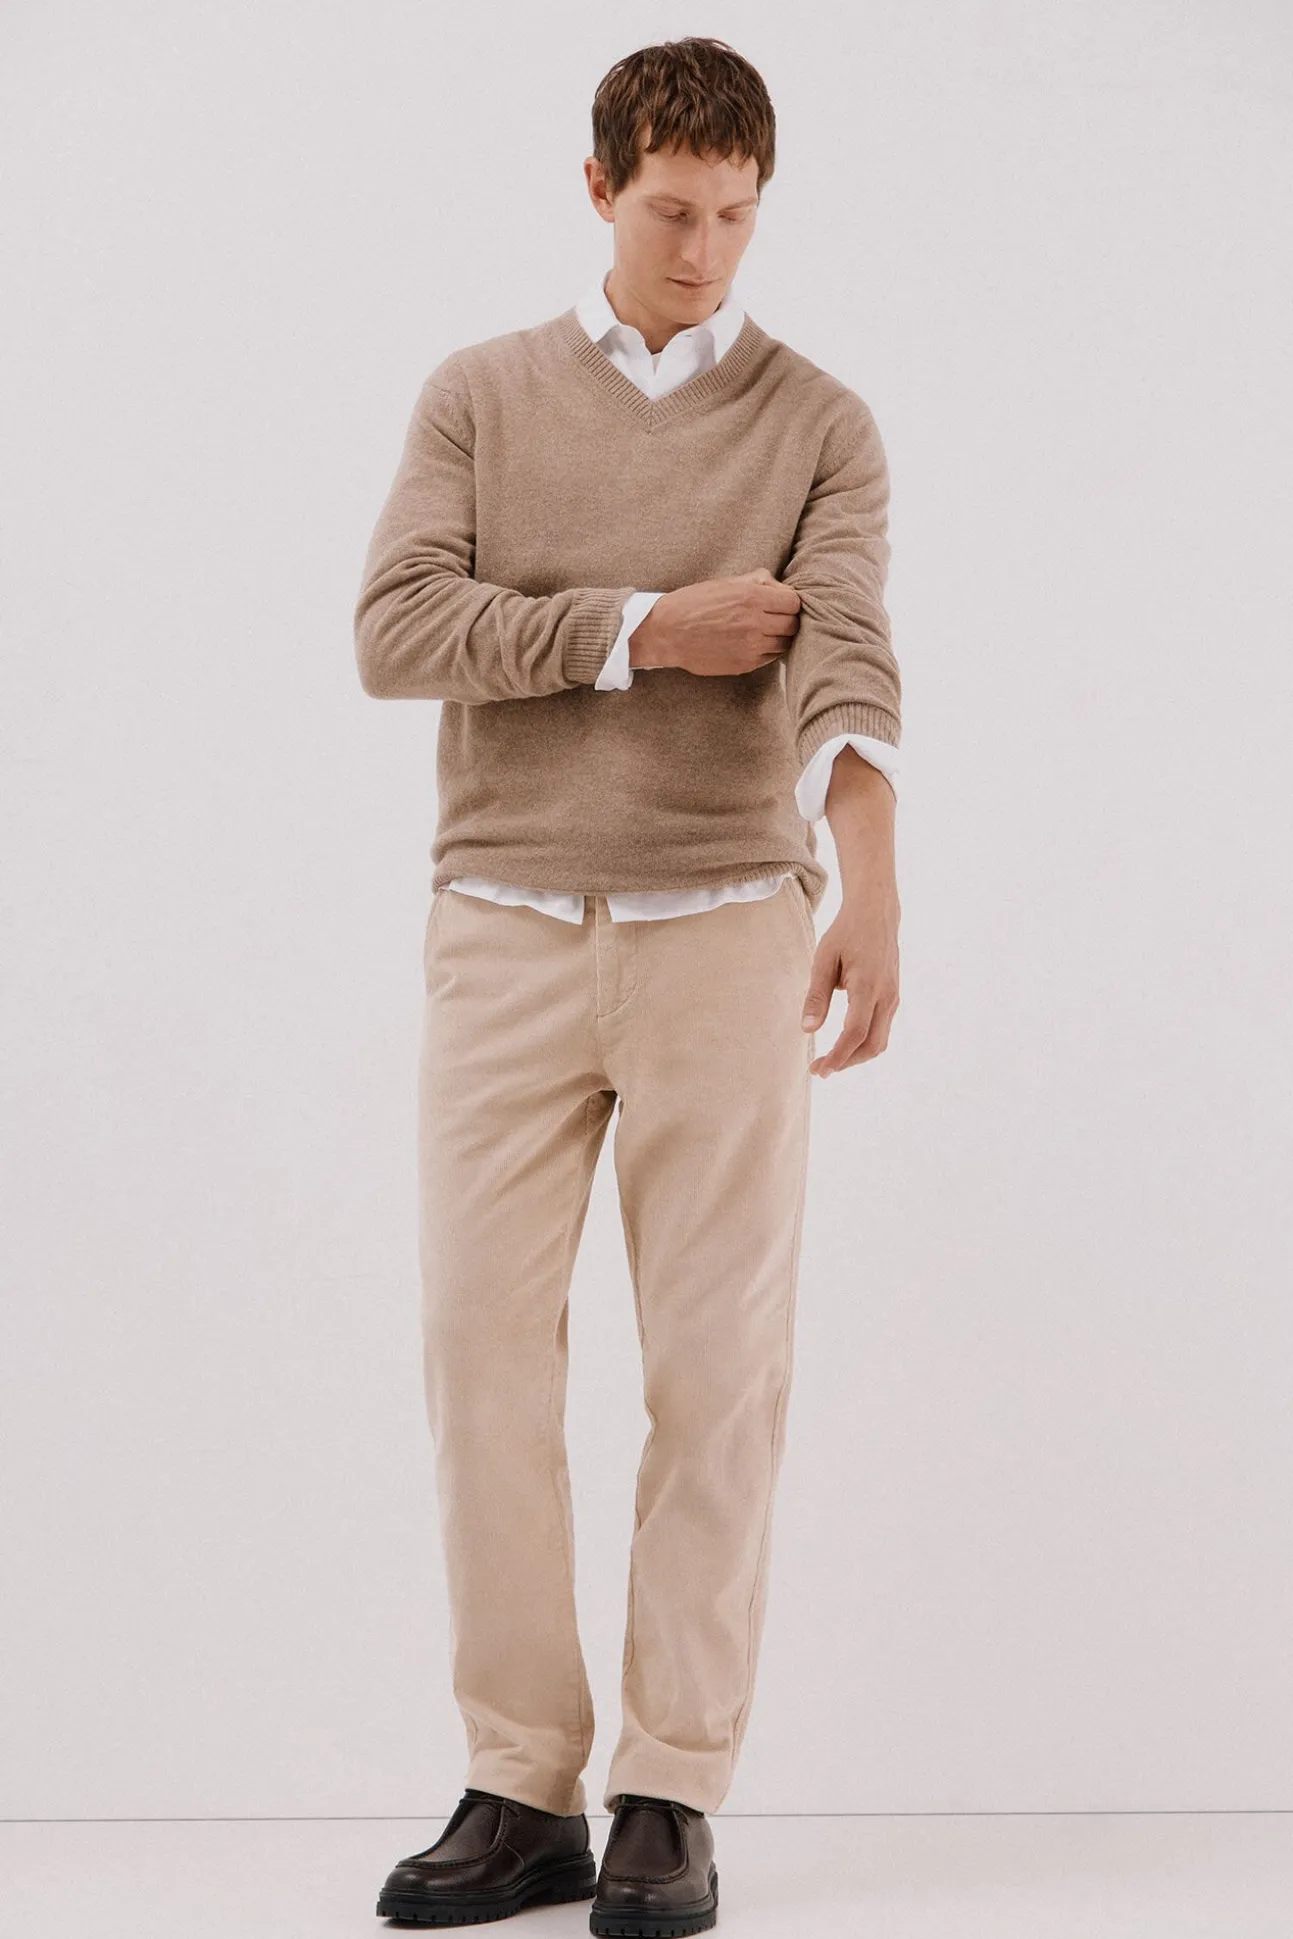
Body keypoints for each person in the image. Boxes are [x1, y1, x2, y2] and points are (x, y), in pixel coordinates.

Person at [353, 35, 902, 1935]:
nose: (703, 253)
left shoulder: (819, 421)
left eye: (737, 217)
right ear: (598, 188)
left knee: (717, 1369)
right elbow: (395, 629)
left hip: (725, 928)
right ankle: (522, 1784)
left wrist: (874, 870)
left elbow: (845, 651)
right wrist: (644, 630)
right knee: (479, 1355)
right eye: (672, 210)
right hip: (503, 926)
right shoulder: (480, 397)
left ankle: (671, 1785)